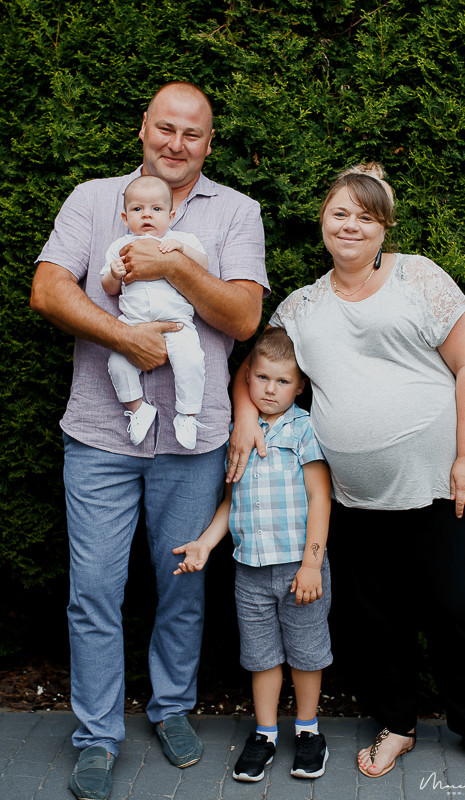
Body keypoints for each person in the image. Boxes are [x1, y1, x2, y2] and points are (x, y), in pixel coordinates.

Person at [227, 163, 465, 780]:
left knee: (454, 607)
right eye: (340, 213)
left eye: (365, 216)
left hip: (442, 484)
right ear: (322, 221)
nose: (350, 225)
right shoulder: (302, 307)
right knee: (379, 619)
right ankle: (397, 725)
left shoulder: (420, 278)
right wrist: (245, 416)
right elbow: (256, 369)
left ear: (384, 227)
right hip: (356, 497)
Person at [30, 81, 268, 800]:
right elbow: (48, 290)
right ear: (143, 128)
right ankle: (97, 737)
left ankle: (170, 709)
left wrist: (174, 267)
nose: (176, 143)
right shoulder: (93, 199)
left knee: (181, 587)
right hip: (101, 433)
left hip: (194, 444)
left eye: (192, 134)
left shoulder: (235, 212)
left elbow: (244, 317)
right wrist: (123, 337)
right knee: (94, 592)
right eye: (165, 128)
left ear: (208, 144)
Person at [174, 327, 332, 782]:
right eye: (262, 377)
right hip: (250, 572)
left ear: (299, 386)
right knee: (261, 657)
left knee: (306, 654)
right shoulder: (237, 432)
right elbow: (232, 502)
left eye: (283, 381)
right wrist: (205, 543)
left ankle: (308, 731)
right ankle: (265, 734)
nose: (270, 389)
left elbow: (320, 498)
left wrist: (312, 564)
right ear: (248, 378)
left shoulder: (304, 430)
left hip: (300, 570)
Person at [101, 174, 208, 449]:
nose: (147, 215)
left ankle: (187, 415)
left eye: (156, 209)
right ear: (125, 218)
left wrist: (182, 250)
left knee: (191, 360)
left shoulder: (180, 239)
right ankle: (138, 408)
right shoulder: (119, 247)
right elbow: (109, 288)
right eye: (138, 209)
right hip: (132, 323)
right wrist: (114, 273)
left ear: (171, 216)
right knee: (117, 363)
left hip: (177, 322)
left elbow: (204, 266)